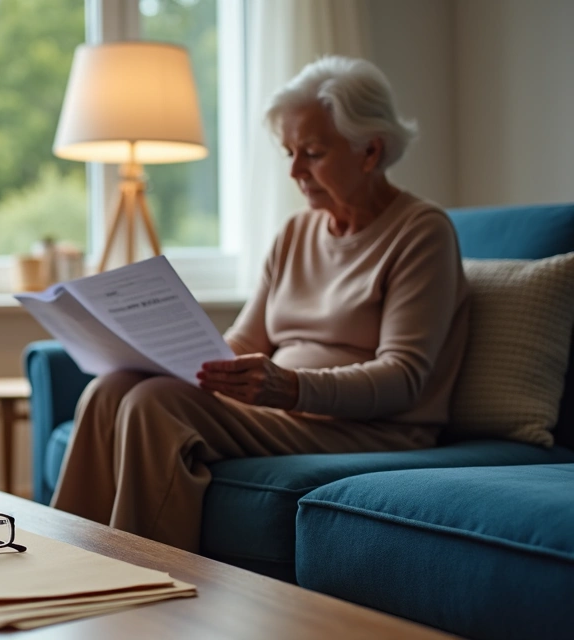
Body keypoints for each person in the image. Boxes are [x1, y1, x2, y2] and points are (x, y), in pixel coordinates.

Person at [50, 56, 470, 554]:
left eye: (312, 152)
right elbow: (244, 343)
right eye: (289, 152)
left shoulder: (422, 232)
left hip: (369, 428)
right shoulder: (296, 231)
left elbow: (404, 377)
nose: (295, 171)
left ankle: (138, 580)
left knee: (153, 404)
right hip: (284, 411)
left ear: (370, 151)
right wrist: (161, 355)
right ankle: (64, 562)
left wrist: (289, 387)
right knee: (113, 387)